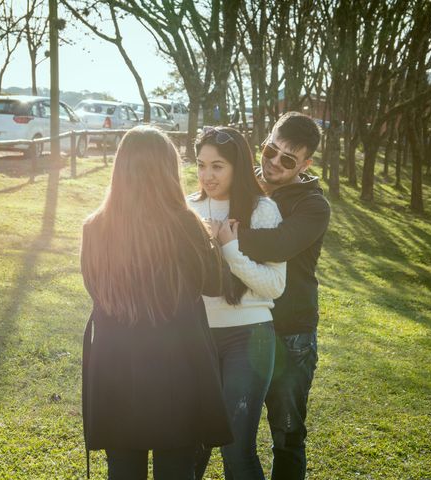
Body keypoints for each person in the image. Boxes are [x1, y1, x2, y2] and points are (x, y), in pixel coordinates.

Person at [80, 126, 234, 479]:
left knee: (123, 470)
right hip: (176, 368)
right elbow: (212, 285)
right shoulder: (185, 224)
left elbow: (95, 288)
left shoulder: (94, 227)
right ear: (167, 172)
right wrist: (215, 243)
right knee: (176, 468)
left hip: (116, 367)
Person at [188, 126, 287, 479]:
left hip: (249, 336)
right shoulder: (188, 207)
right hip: (196, 337)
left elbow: (275, 285)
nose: (207, 175)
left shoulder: (263, 210)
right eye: (201, 165)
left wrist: (230, 249)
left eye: (218, 166)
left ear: (237, 167)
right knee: (190, 447)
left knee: (236, 449)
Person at [237, 112, 331, 479]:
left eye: (288, 159)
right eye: (269, 150)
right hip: (241, 326)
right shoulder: (242, 186)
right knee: (223, 427)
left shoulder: (313, 205)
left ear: (305, 164)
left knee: (287, 435)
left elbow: (279, 245)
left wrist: (224, 236)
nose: (274, 162)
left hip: (291, 333)